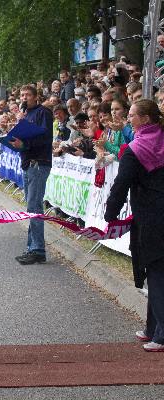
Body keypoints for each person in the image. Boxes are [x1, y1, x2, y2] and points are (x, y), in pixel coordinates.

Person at [104, 99, 164, 352]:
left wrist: (110, 215)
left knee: (157, 272)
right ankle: (153, 328)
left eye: (131, 115)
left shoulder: (135, 148)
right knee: (157, 270)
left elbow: (121, 184)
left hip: (152, 218)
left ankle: (161, 336)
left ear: (146, 119)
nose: (128, 119)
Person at [10, 85, 53, 265]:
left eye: (28, 94)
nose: (24, 97)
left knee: (34, 206)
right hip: (27, 163)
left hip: (38, 163)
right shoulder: (24, 115)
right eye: (22, 95)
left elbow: (43, 137)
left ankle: (37, 249)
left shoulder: (43, 112)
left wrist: (24, 138)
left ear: (36, 97)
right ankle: (32, 247)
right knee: (30, 205)